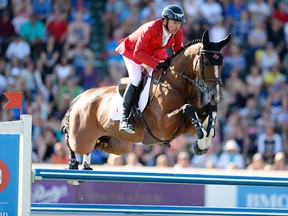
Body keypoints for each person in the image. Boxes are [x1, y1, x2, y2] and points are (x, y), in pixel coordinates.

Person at [115, 5, 186, 133]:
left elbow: (179, 53)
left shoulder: (178, 33)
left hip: (154, 52)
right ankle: (124, 119)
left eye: (179, 23)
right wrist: (156, 64)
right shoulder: (150, 28)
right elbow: (138, 53)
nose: (177, 26)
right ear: (165, 21)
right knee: (136, 79)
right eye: (175, 22)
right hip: (132, 51)